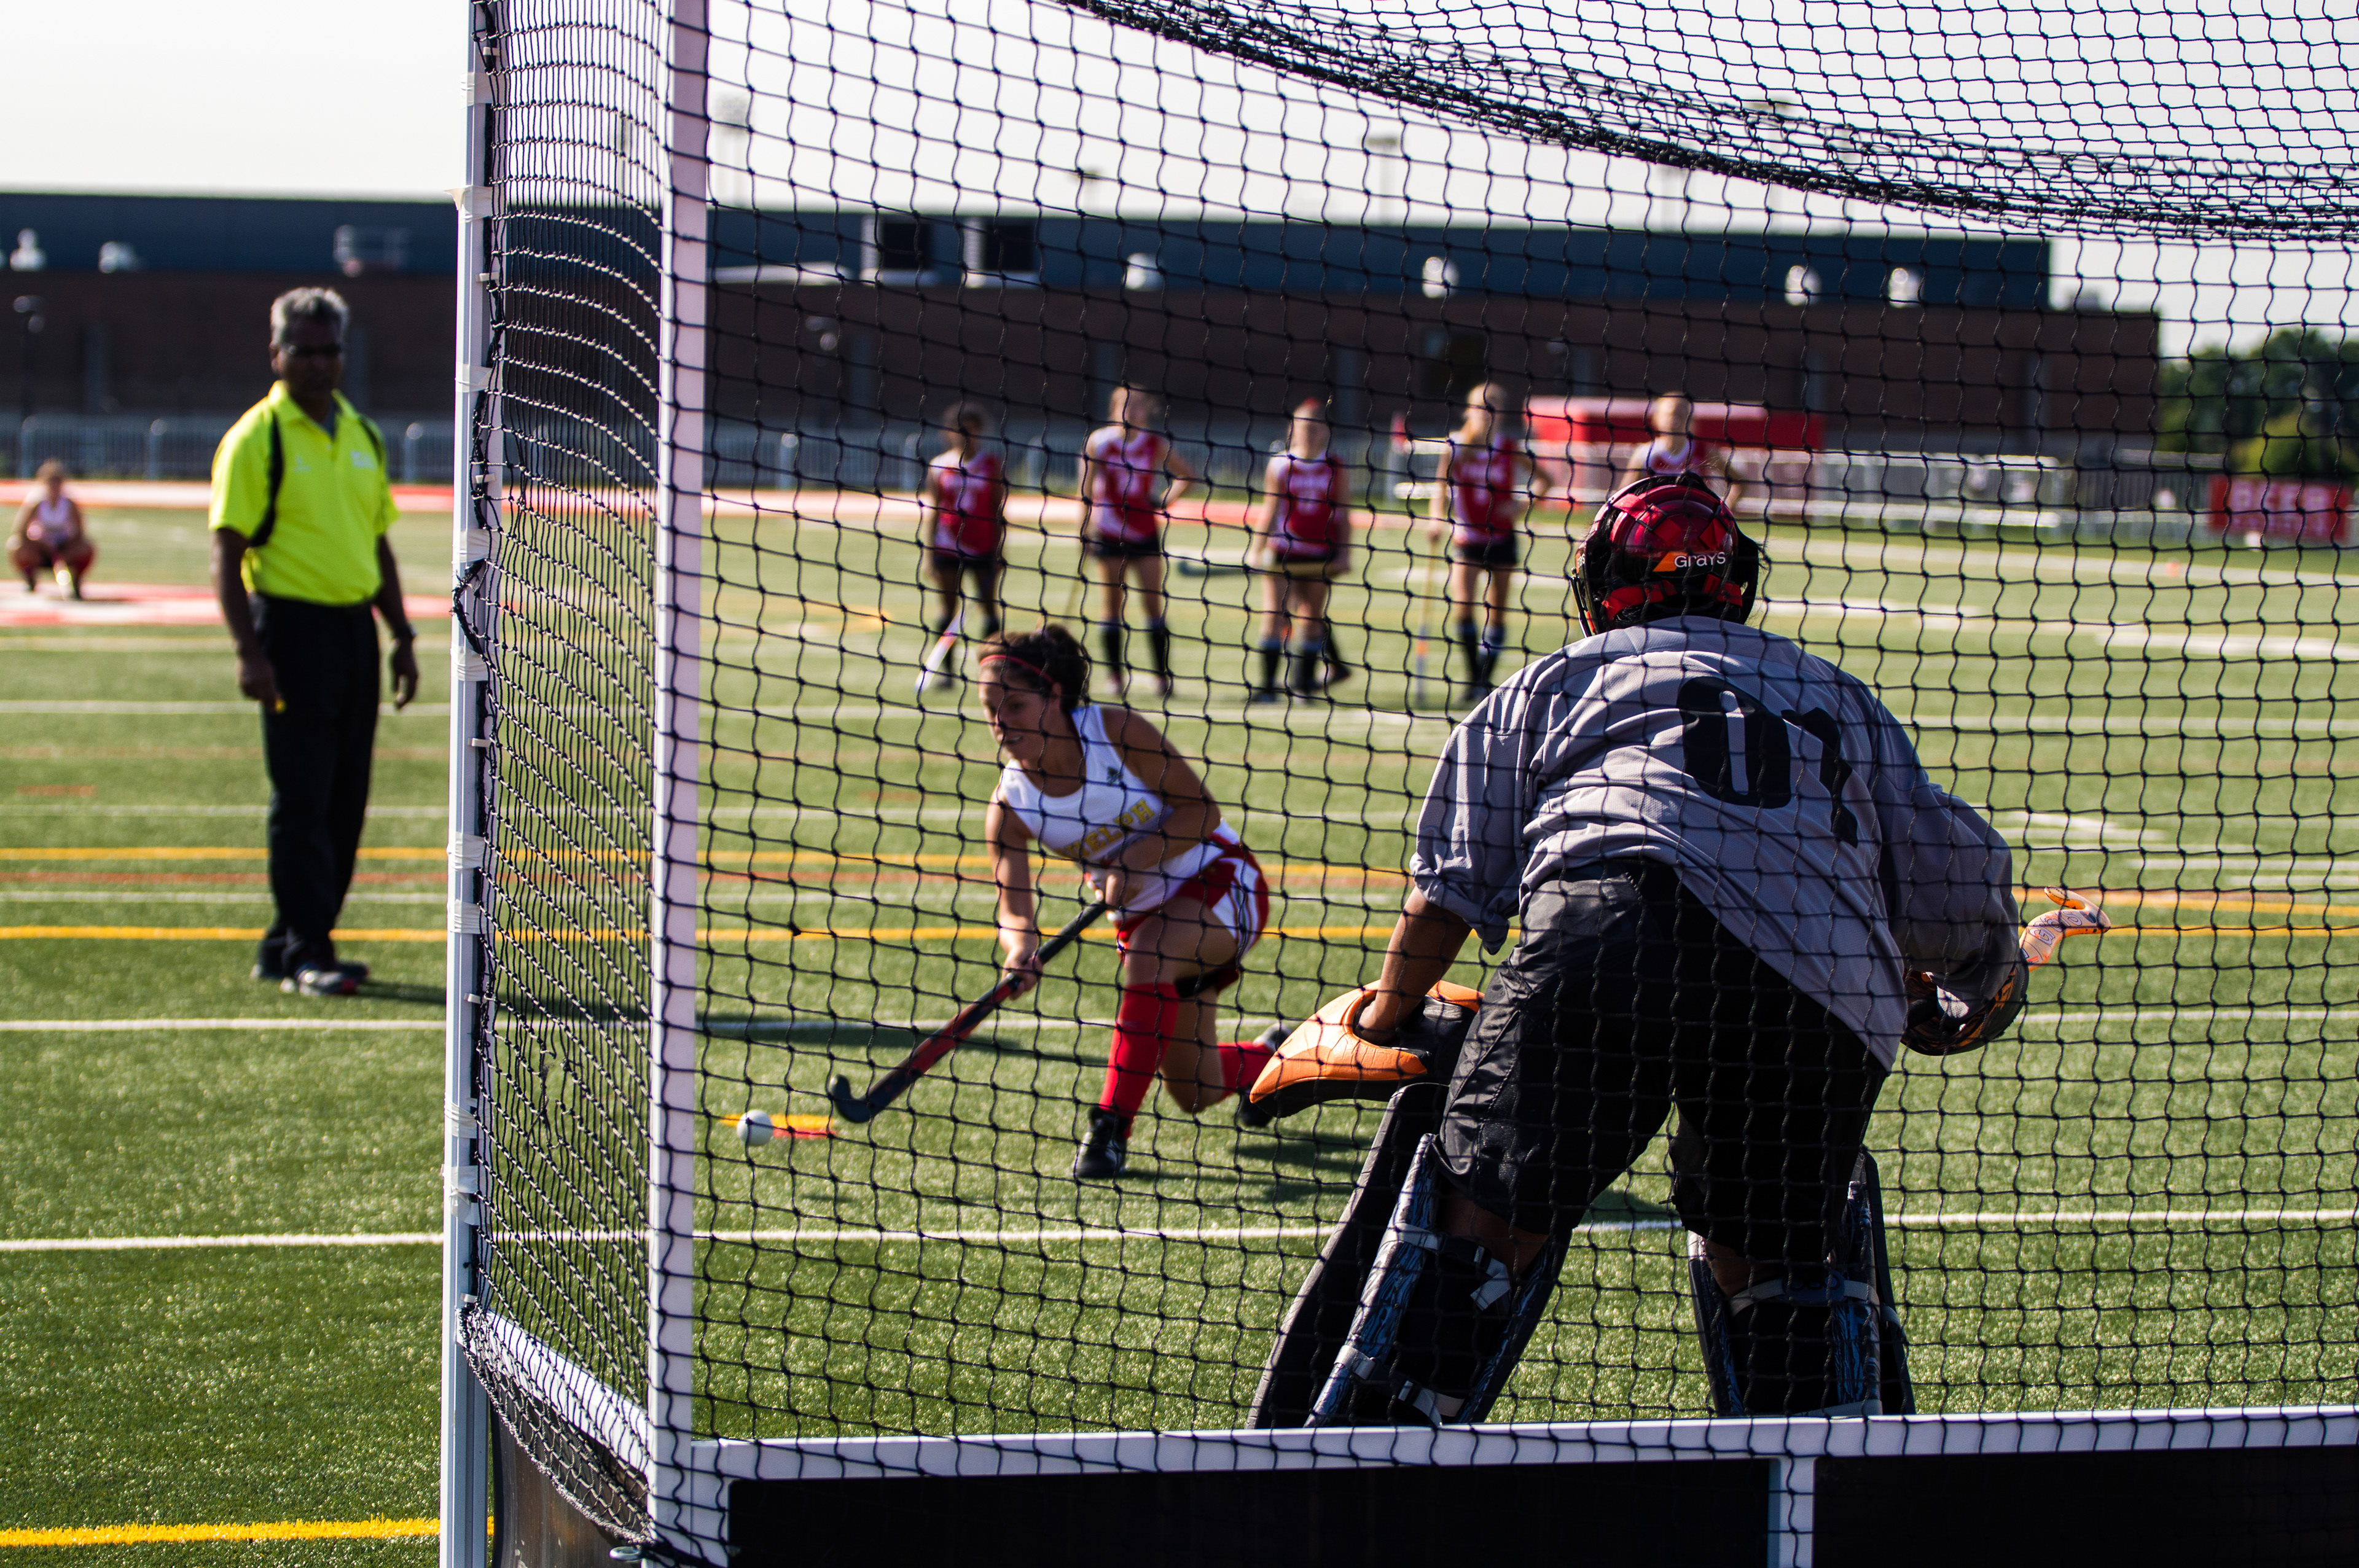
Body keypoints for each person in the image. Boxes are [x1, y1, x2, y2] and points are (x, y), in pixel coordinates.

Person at [1248, 473, 2040, 1428]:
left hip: (1609, 940)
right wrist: (1977, 983)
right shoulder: (1834, 692)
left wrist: (1383, 1014)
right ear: (1738, 582)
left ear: (1600, 585)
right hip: (1819, 994)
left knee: (1480, 1232)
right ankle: (1815, 1482)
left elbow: (1446, 892)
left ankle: (1369, 1463)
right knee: (1775, 1262)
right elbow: (1956, 888)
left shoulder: (1555, 680)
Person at [979, 624, 1276, 1179]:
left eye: (1015, 705)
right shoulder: (1010, 806)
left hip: (1222, 883)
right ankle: (1283, 1056)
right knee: (1196, 1088)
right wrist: (1019, 949)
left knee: (1150, 953)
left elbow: (1202, 811)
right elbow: (1014, 907)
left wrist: (1135, 859)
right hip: (1145, 922)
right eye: (990, 708)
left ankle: (1110, 1129)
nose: (1001, 722)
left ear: (1055, 696)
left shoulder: (1114, 731)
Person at [209, 287, 418, 998]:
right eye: (304, 351)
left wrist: (401, 634)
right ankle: (308, 951)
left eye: (331, 351)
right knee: (301, 797)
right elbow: (226, 554)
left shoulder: (362, 434)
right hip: (290, 631)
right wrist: (249, 653)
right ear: (277, 354)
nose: (319, 364)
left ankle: (291, 940)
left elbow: (376, 542)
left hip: (354, 631)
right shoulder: (256, 438)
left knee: (345, 797)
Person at [1426, 382, 1549, 703]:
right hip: (1468, 537)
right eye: (1481, 407)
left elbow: (1545, 480)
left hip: (1502, 537)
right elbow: (1440, 487)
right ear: (1470, 411)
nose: (1486, 414)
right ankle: (1473, 678)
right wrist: (1436, 518)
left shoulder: (1509, 447)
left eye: (1493, 408)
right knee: (1463, 606)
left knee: (1497, 613)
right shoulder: (1455, 447)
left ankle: (1484, 680)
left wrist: (1520, 505)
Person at [1078, 384, 1199, 699]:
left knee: (1152, 604)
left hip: (1144, 532)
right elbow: (1085, 490)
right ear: (1114, 409)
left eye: (1139, 406)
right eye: (1126, 405)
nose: (1132, 411)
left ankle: (1161, 676)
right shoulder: (1099, 443)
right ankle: (1115, 677)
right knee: (1112, 606)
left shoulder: (1155, 444)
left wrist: (1163, 500)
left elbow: (1187, 476)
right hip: (1108, 531)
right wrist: (1083, 530)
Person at [1247, 398, 1355, 703]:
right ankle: (1268, 688)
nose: (1309, 433)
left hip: (1320, 554)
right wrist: (1256, 549)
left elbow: (1343, 514)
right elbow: (1270, 510)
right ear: (1293, 429)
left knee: (1311, 619)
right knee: (1274, 616)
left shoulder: (1335, 466)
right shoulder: (1280, 465)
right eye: (1303, 427)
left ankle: (1304, 686)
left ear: (1325, 430)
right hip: (1283, 551)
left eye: (1315, 427)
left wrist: (1345, 554)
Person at [915, 402, 1007, 689]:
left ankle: (995, 670)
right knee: (947, 609)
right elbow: (933, 511)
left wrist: (999, 550)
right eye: (959, 429)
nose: (966, 434)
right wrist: (928, 554)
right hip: (947, 547)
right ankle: (947, 673)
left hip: (983, 546)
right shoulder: (939, 466)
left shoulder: (991, 465)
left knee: (988, 608)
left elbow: (998, 510)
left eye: (972, 428)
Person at [1616, 391, 1747, 514]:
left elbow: (1739, 482)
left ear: (1691, 420)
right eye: (1671, 415)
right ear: (1656, 419)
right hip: (1655, 522)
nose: (1676, 421)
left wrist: (1723, 512)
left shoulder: (1705, 451)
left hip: (1695, 520)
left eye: (1682, 415)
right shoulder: (1645, 454)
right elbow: (1623, 496)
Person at [9, 461, 96, 597]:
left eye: (58, 481)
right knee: (16, 546)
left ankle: (76, 582)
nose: (54, 486)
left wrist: (65, 548)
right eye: (51, 482)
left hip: (63, 546)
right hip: (40, 547)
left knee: (86, 548)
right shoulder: (36, 502)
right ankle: (30, 578)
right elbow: (20, 530)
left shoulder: (69, 504)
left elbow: (80, 532)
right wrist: (41, 544)